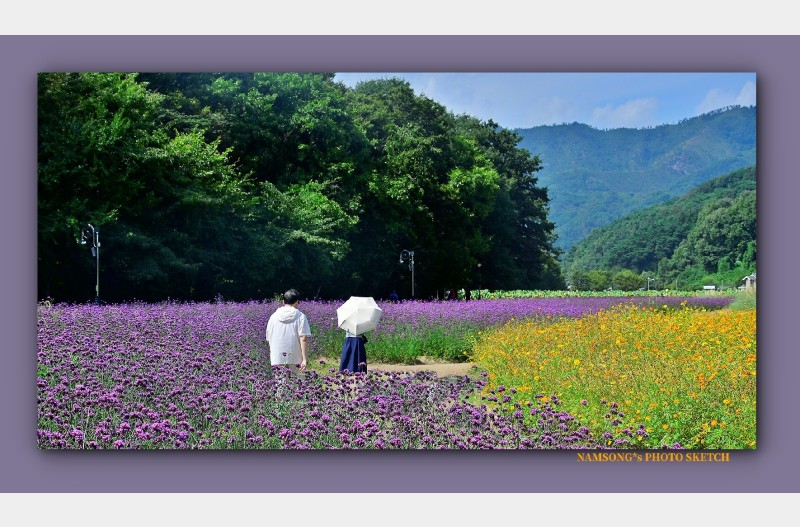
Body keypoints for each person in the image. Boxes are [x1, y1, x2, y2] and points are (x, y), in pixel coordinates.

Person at [266, 289, 311, 371]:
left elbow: (269, 337)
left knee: (280, 382)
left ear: (283, 302)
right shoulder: (300, 316)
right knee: (296, 382)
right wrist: (304, 359)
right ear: (297, 302)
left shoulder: (273, 316)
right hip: (295, 357)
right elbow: (303, 338)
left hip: (277, 356)